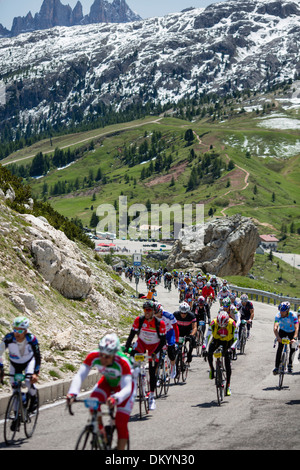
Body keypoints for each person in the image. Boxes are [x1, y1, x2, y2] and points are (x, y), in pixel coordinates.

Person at [67, 333, 134, 450]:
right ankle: (101, 431)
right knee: (93, 400)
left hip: (123, 388)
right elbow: (80, 375)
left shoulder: (123, 362)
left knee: (120, 423)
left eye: (107, 356)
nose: (103, 358)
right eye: (101, 354)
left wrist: (116, 398)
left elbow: (127, 388)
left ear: (114, 354)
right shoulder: (94, 355)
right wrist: (72, 393)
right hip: (107, 382)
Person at [124, 300, 166, 411]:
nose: (147, 312)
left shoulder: (159, 323)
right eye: (145, 310)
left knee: (152, 371)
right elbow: (131, 335)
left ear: (153, 311)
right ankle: (134, 384)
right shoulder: (139, 320)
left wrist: (155, 353)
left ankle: (151, 396)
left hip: (154, 346)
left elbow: (163, 342)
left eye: (149, 310)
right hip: (142, 343)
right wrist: (126, 348)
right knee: (132, 359)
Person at [0, 317, 41, 413]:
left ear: (26, 331)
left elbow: (38, 356)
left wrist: (35, 373)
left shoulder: (31, 339)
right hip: (15, 364)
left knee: (28, 381)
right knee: (14, 388)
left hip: (29, 362)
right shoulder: (8, 338)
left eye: (20, 331)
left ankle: (33, 398)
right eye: (15, 330)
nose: (17, 333)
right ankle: (16, 414)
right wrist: (1, 368)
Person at [203, 310, 238, 397]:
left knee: (227, 365)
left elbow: (236, 339)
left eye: (224, 326)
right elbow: (207, 336)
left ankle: (228, 386)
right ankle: (212, 369)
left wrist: (232, 348)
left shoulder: (232, 324)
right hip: (217, 340)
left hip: (227, 342)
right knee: (209, 353)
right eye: (220, 326)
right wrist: (204, 347)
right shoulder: (213, 323)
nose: (222, 328)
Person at [154, 303, 179, 379]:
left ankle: (173, 367)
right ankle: (156, 376)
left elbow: (175, 327)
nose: (156, 316)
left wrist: (176, 340)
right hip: (160, 334)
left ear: (161, 311)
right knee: (156, 356)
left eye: (157, 314)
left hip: (169, 333)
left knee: (171, 352)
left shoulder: (168, 315)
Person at [273, 302, 299, 375]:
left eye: (283, 311)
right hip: (282, 331)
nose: (281, 312)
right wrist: (278, 337)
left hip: (292, 332)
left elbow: (297, 328)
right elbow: (275, 327)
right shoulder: (278, 315)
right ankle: (277, 367)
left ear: (287, 311)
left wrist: (295, 338)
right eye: (280, 310)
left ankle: (290, 365)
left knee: (292, 347)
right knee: (280, 348)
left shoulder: (293, 315)